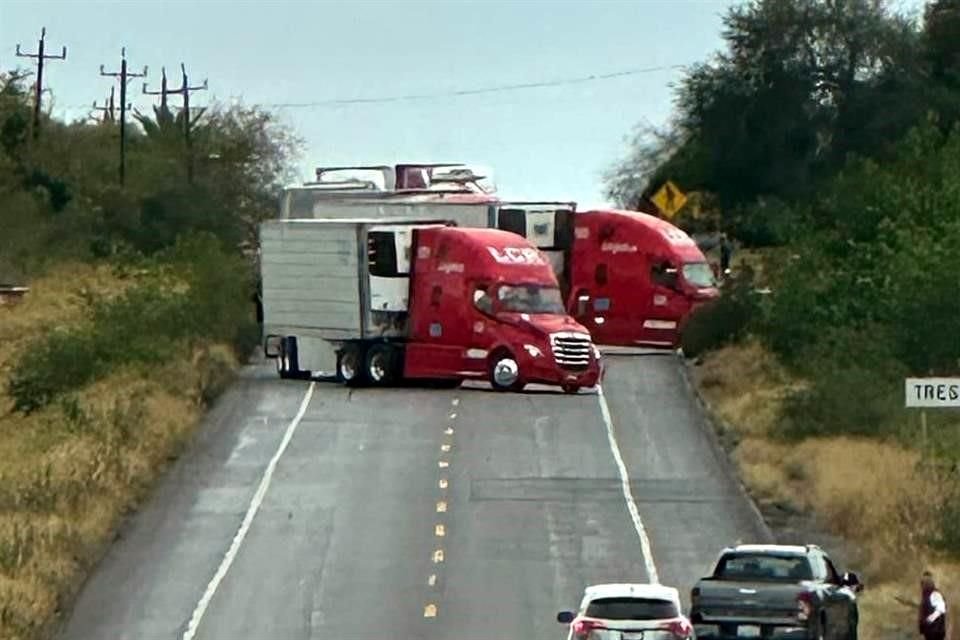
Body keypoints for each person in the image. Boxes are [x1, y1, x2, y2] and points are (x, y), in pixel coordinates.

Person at [919, 571, 948, 640]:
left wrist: (927, 622)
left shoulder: (935, 595)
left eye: (926, 582)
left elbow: (939, 611)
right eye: (923, 582)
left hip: (935, 632)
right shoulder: (926, 596)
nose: (923, 585)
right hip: (931, 631)